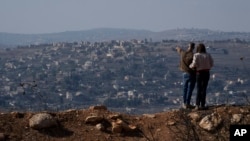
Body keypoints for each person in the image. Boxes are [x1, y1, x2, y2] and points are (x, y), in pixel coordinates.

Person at [189, 43, 214, 110]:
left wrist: (190, 66)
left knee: (199, 89)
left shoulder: (196, 55)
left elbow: (194, 64)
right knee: (204, 89)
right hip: (206, 72)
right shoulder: (208, 55)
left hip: (199, 73)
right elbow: (212, 64)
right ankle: (202, 104)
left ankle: (197, 104)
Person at [176, 42, 196, 109]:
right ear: (193, 47)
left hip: (184, 73)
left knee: (185, 88)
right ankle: (187, 103)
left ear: (188, 46)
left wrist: (177, 48)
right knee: (190, 89)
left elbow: (179, 50)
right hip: (191, 74)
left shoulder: (183, 53)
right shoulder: (193, 55)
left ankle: (184, 103)